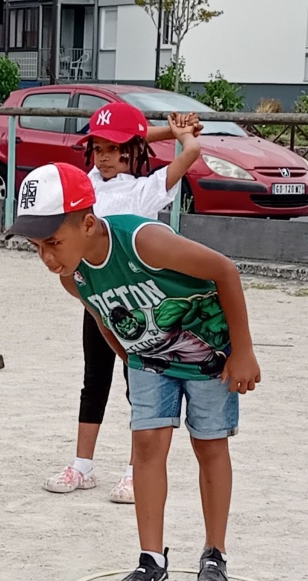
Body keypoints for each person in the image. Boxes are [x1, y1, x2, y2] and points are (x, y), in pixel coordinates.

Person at [8, 163, 261, 581]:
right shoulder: (73, 277)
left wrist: (243, 351)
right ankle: (151, 562)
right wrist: (130, 358)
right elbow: (101, 316)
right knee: (146, 446)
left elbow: (224, 271)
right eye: (36, 247)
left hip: (208, 351)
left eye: (53, 242)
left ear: (88, 223)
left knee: (209, 446)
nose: (47, 258)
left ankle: (215, 555)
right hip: (149, 359)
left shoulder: (143, 241)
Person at [43, 102, 203, 505]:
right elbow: (127, 139)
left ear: (132, 151)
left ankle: (136, 471)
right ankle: (82, 465)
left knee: (140, 386)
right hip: (98, 300)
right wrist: (155, 131)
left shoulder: (144, 190)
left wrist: (181, 134)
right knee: (94, 379)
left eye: (114, 150)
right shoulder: (89, 184)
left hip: (138, 307)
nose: (104, 157)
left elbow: (191, 153)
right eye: (98, 149)